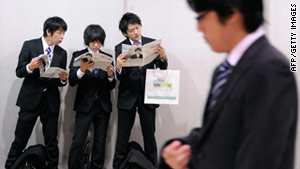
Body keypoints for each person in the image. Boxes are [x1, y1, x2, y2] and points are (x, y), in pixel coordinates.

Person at [159, 0, 298, 169]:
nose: (199, 28)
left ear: (232, 13)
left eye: (201, 17)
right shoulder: (224, 70)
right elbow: (220, 135)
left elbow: (259, 158)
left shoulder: (270, 70)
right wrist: (179, 150)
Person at [5, 16, 68, 169]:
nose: (62, 37)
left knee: (52, 141)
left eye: (63, 33)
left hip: (50, 102)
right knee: (20, 140)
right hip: (30, 100)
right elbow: (19, 72)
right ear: (48, 31)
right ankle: (10, 167)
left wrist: (64, 79)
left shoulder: (62, 53)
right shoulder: (29, 45)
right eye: (59, 33)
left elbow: (60, 82)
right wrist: (30, 67)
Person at [113, 12, 168, 169]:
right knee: (122, 139)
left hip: (148, 96)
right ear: (125, 33)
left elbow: (162, 71)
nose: (136, 32)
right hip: (127, 97)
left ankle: (153, 166)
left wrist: (163, 58)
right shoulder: (120, 48)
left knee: (150, 137)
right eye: (131, 30)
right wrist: (118, 66)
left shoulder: (152, 44)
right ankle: (117, 166)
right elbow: (120, 78)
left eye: (137, 28)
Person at [68, 24, 116, 169]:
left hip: (103, 105)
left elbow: (111, 86)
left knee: (100, 141)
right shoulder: (78, 55)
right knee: (78, 140)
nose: (96, 45)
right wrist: (81, 70)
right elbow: (71, 81)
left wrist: (110, 76)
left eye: (99, 42)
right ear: (87, 41)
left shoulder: (107, 57)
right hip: (84, 104)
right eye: (93, 41)